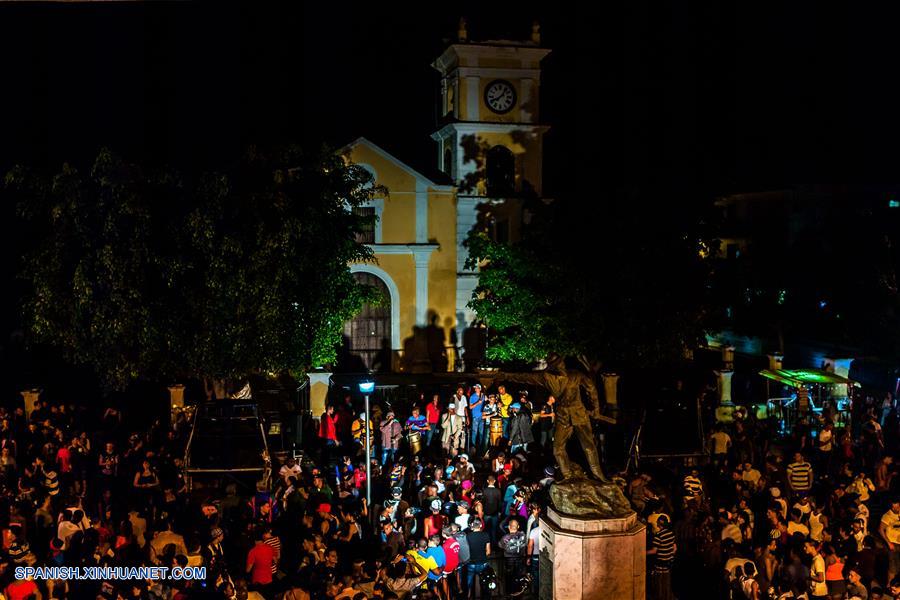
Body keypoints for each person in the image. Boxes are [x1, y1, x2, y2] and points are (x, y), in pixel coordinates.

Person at [498, 518, 526, 595]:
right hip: (520, 559)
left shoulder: (505, 538)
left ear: (509, 527)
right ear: (518, 526)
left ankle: (509, 592)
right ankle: (518, 591)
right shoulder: (523, 535)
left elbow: (500, 546)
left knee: (509, 576)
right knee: (518, 575)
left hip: (509, 560)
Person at [465, 517, 491, 599]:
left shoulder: (468, 536)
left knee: (469, 582)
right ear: (480, 525)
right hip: (483, 563)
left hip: (471, 563)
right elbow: (488, 551)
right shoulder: (485, 535)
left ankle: (468, 596)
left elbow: (466, 550)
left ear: (472, 526)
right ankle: (484, 597)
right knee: (484, 582)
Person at [468, 384, 485, 454]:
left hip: (482, 416)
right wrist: (478, 402)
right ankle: (473, 447)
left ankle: (480, 447)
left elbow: (488, 400)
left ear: (480, 389)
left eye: (477, 388)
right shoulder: (472, 396)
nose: (476, 389)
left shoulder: (483, 396)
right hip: (475, 417)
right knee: (474, 432)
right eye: (475, 388)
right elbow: (470, 407)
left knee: (481, 433)